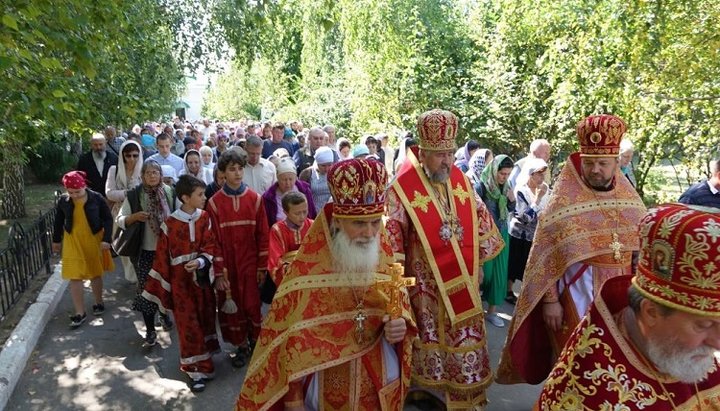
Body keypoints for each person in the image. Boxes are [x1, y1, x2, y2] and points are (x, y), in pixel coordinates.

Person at [237, 158, 416, 410]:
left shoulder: (384, 257)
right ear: (337, 221)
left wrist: (399, 325)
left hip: (378, 384)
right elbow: (289, 343)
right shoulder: (306, 271)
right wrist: (294, 399)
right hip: (326, 388)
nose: (369, 233)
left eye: (376, 222)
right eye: (359, 223)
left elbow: (399, 309)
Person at [496, 114, 647, 385]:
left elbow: (639, 256)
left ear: (616, 164)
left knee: (613, 368)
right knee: (573, 367)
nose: (596, 169)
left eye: (603, 163)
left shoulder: (632, 205)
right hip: (574, 299)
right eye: (589, 163)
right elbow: (545, 257)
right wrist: (551, 301)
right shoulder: (561, 205)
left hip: (619, 301)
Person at [537, 203, 720, 410]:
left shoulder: (690, 349)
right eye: (703, 325)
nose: (718, 344)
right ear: (651, 312)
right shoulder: (589, 389)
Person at [385, 109, 504, 409]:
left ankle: (464, 395)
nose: (447, 161)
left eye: (450, 153)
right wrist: (398, 298)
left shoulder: (462, 182)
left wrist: (478, 268)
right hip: (424, 290)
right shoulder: (401, 190)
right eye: (440, 155)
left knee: (461, 340)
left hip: (463, 284)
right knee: (429, 344)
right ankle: (429, 395)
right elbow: (391, 249)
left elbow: (482, 227)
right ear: (422, 153)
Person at [141, 175, 220, 393]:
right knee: (188, 324)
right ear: (185, 198)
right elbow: (162, 257)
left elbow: (210, 244)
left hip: (201, 281)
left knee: (204, 318)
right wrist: (164, 286)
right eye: (200, 195)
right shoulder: (170, 224)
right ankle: (194, 369)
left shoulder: (204, 218)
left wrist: (201, 260)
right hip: (180, 284)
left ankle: (206, 362)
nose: (204, 198)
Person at [207, 150, 269, 368]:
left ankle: (255, 343)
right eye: (232, 169)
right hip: (227, 267)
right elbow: (212, 240)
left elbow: (263, 235)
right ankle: (240, 346)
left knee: (252, 305)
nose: (237, 173)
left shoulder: (255, 200)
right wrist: (218, 271)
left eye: (240, 168)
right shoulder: (214, 203)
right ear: (222, 173)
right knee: (233, 309)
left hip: (250, 263)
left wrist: (262, 266)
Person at [116, 160, 176, 347]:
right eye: (148, 173)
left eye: (155, 172)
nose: (152, 176)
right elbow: (120, 220)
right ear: (142, 176)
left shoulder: (169, 192)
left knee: (166, 286)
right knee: (147, 290)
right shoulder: (135, 195)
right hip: (144, 252)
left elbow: (179, 214)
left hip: (166, 251)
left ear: (160, 174)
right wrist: (135, 217)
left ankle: (164, 315)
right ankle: (150, 330)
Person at [52, 171, 114, 328]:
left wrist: (106, 240)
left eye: (77, 192)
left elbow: (108, 219)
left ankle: (98, 302)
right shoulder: (64, 201)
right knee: (75, 275)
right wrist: (56, 240)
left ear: (84, 186)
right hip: (73, 238)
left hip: (93, 238)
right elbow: (58, 220)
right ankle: (80, 312)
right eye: (70, 192)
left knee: (95, 272)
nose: (74, 196)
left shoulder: (96, 198)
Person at [476, 155, 516, 328]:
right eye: (502, 174)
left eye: (507, 174)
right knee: (484, 274)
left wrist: (512, 200)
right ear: (494, 170)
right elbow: (473, 211)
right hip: (484, 236)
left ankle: (492, 312)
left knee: (499, 275)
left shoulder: (507, 187)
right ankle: (476, 311)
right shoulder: (482, 187)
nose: (504, 177)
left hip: (502, 234)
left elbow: (509, 209)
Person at [506, 159, 549, 305]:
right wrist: (537, 200)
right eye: (538, 175)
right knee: (514, 263)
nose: (541, 178)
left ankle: (525, 295)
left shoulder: (544, 191)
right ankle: (508, 290)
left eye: (543, 175)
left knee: (527, 266)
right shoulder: (521, 191)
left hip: (533, 236)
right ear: (530, 174)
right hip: (519, 234)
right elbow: (525, 217)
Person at [105, 140, 143, 284]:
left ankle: (141, 279)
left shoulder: (144, 169)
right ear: (122, 156)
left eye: (135, 155)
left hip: (139, 214)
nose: (132, 159)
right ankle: (132, 277)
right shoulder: (114, 170)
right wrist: (129, 194)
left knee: (139, 247)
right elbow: (110, 193)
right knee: (124, 246)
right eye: (128, 156)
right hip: (119, 214)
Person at [266, 191, 313, 289]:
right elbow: (275, 261)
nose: (302, 217)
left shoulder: (313, 226)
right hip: (288, 280)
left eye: (305, 211)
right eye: (297, 213)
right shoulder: (277, 230)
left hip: (310, 278)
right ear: (285, 212)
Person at [261, 158, 316, 228]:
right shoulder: (268, 197)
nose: (287, 183)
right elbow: (266, 222)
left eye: (290, 179)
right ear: (277, 178)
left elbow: (312, 213)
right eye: (284, 179)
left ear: (296, 178)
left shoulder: (305, 190)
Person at [76, 133, 118, 198]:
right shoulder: (84, 160)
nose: (98, 147)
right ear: (91, 145)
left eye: (101, 144)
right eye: (95, 145)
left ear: (105, 144)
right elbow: (80, 178)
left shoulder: (113, 158)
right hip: (90, 197)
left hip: (110, 198)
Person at [299, 146, 335, 215]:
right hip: (313, 212)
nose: (327, 169)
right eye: (323, 166)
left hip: (331, 212)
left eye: (329, 165)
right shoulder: (307, 174)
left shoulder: (335, 173)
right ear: (317, 163)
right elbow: (301, 196)